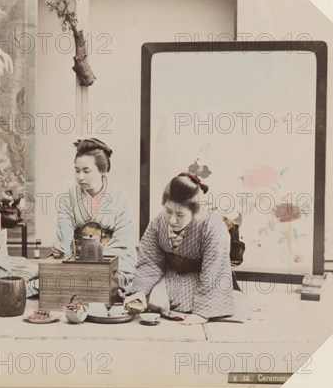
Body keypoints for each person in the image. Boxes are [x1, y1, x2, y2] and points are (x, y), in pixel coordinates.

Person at [125, 173, 234, 325]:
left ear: (194, 211)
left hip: (203, 277)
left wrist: (202, 313)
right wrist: (140, 292)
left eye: (180, 214)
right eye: (168, 211)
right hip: (171, 275)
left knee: (169, 300)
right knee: (147, 295)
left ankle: (205, 306)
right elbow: (149, 261)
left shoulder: (212, 225)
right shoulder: (158, 223)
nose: (172, 220)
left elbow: (214, 270)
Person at [51, 138, 137, 294]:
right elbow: (65, 232)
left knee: (117, 279)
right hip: (76, 259)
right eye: (77, 170)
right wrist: (62, 248)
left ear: (102, 170)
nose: (80, 177)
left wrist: (93, 260)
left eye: (86, 170)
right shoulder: (68, 196)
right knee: (49, 275)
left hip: (110, 259)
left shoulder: (120, 199)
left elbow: (123, 242)